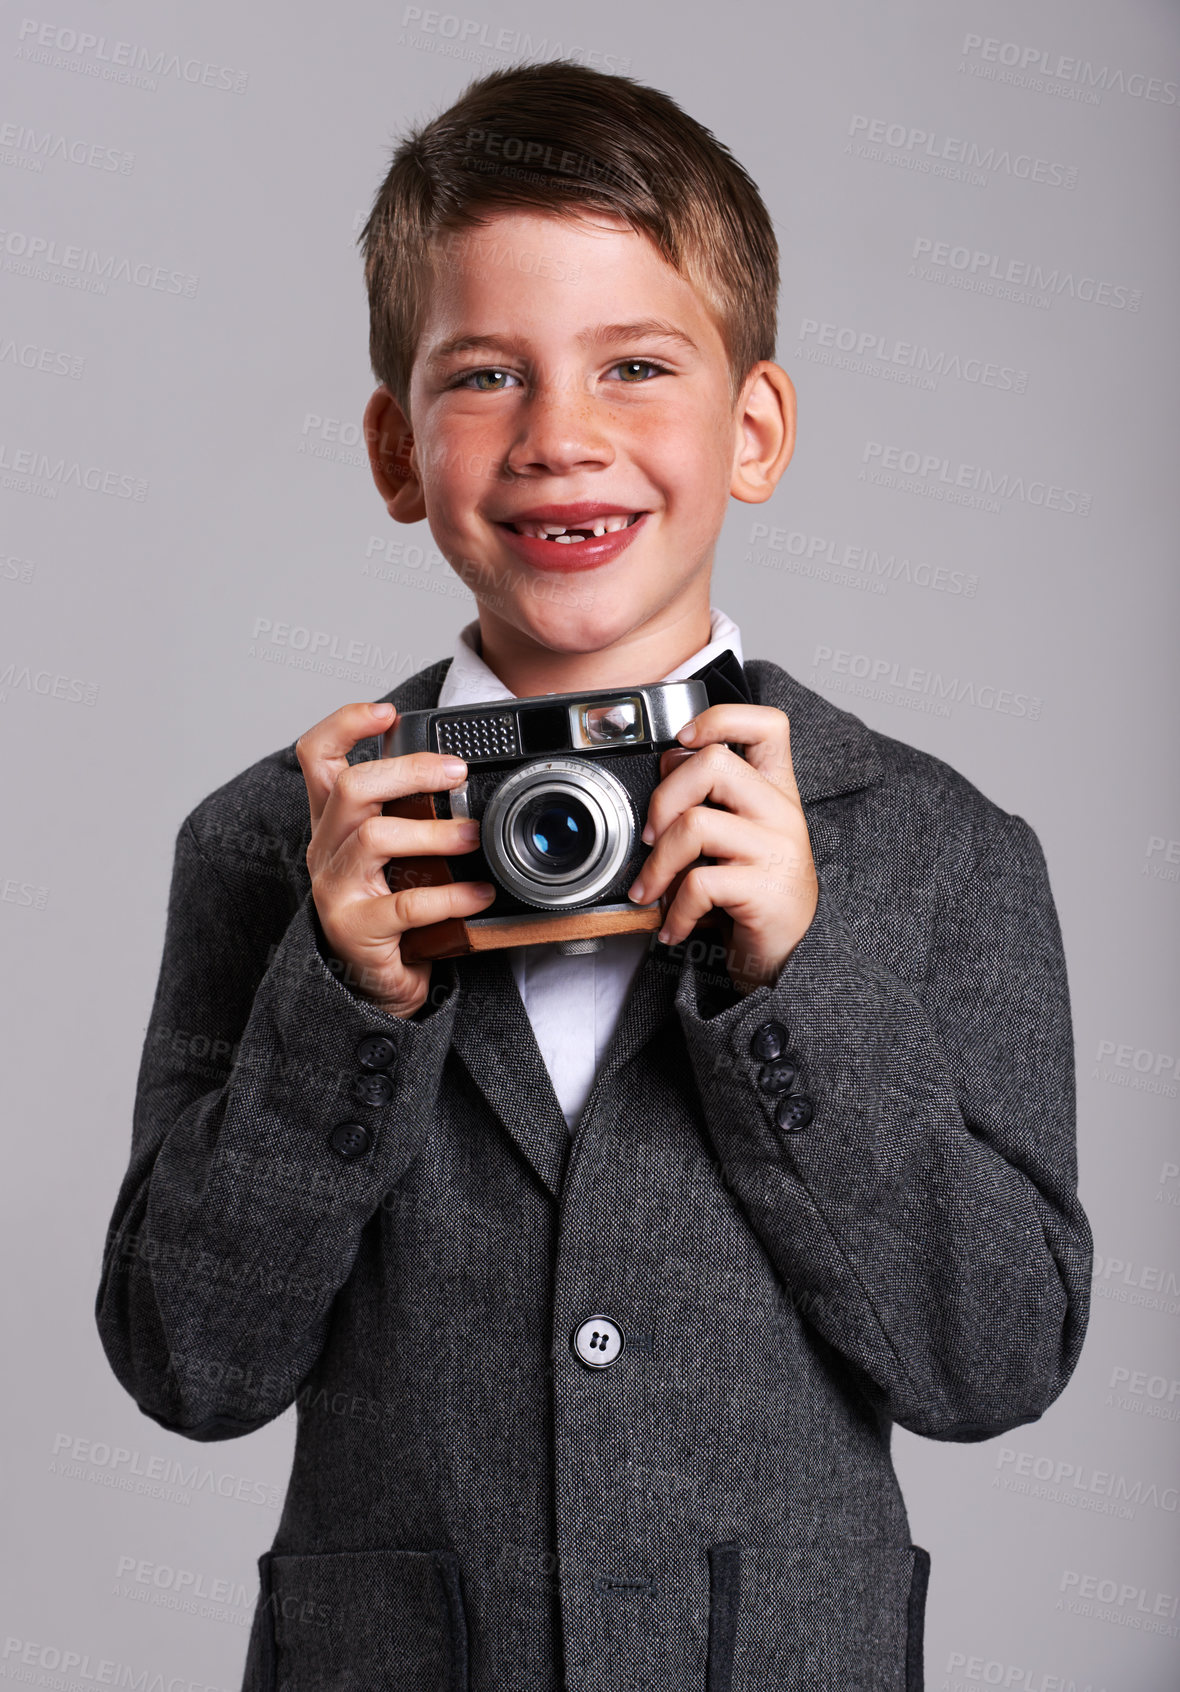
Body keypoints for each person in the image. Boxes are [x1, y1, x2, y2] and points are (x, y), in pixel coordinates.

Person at [95, 60, 1093, 1691]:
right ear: (396, 449)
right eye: (485, 376)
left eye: (637, 365)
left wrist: (802, 986)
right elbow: (189, 1363)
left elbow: (992, 1363)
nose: (564, 439)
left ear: (752, 429)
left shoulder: (929, 847)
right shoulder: (277, 844)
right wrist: (342, 998)